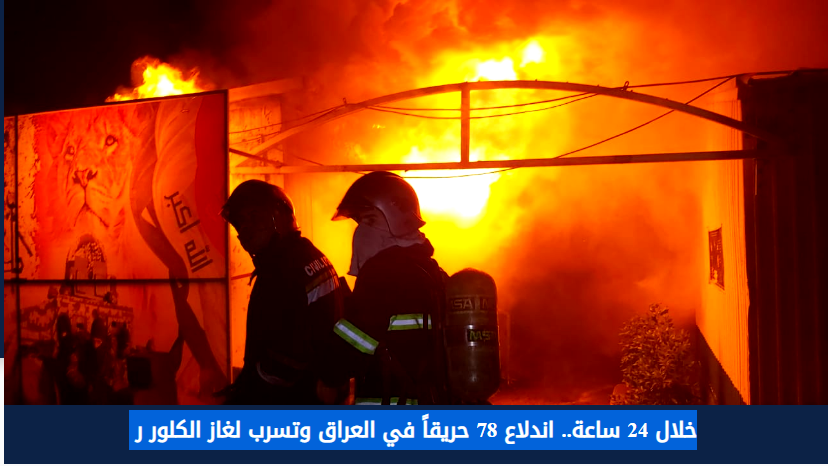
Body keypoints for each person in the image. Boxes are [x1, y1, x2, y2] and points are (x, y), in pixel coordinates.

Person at [326, 171, 452, 405]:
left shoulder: (381, 274)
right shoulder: (430, 269)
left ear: (397, 220)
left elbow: (347, 353)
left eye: (370, 220)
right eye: (359, 222)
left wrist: (326, 376)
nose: (361, 231)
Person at [217, 179, 346, 405]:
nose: (245, 230)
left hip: (291, 400)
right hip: (315, 391)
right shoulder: (310, 254)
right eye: (239, 223)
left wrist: (247, 394)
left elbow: (287, 358)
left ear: (278, 217)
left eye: (253, 218)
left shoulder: (280, 271)